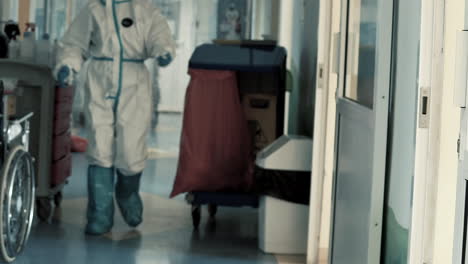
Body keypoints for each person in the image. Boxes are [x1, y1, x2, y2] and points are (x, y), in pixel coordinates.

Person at [54, 0, 175, 235]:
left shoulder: (145, 9)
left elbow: (159, 35)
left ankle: (127, 194)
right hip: (100, 80)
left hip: (135, 83)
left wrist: (164, 50)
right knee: (100, 147)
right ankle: (99, 214)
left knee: (131, 150)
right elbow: (73, 43)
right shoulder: (93, 10)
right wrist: (67, 65)